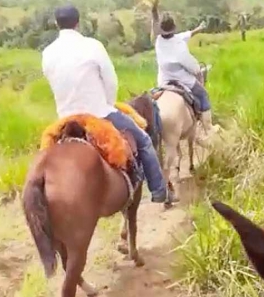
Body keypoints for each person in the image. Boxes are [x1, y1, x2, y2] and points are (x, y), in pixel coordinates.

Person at [42, 4, 176, 204]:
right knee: (145, 141)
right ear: (78, 23)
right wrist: (108, 104)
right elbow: (111, 81)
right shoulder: (93, 46)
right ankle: (158, 191)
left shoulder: (47, 53)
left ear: (56, 24)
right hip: (98, 114)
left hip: (64, 118)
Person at [151, 0, 219, 143]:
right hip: (183, 80)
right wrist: (199, 74)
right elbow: (194, 68)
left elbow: (185, 35)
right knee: (203, 94)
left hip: (163, 81)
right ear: (174, 27)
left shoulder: (158, 41)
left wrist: (198, 29)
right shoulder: (180, 46)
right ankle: (208, 128)